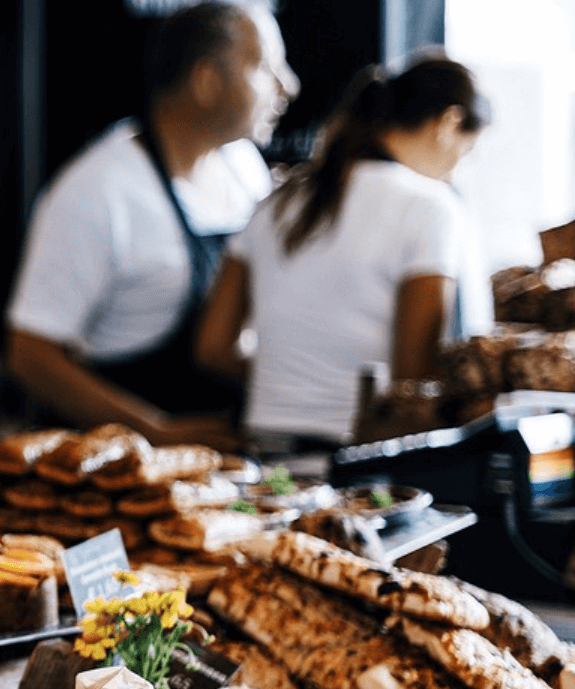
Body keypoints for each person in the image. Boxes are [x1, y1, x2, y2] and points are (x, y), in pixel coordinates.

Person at [6, 0, 299, 446]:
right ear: (207, 81)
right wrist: (156, 433)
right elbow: (30, 356)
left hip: (230, 462)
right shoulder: (98, 192)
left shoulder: (243, 166)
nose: (289, 86)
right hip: (120, 474)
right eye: (266, 68)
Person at [195, 56, 492, 449]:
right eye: (467, 152)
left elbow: (212, 348)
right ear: (449, 124)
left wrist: (292, 381)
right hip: (361, 461)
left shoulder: (276, 202)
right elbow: (413, 379)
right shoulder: (431, 207)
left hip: (265, 453)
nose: (458, 169)